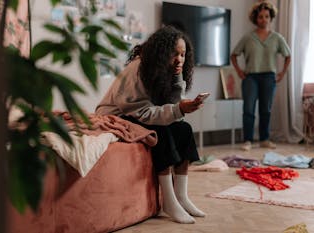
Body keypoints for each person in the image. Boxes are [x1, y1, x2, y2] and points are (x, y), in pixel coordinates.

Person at [95, 25, 205, 224]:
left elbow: (173, 112)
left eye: (183, 54)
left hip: (142, 114)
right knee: (159, 131)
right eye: (175, 54)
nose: (180, 59)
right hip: (117, 115)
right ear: (162, 53)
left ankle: (181, 196)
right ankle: (169, 201)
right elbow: (143, 111)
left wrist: (178, 84)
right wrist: (179, 108)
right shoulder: (138, 69)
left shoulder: (167, 70)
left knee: (184, 129)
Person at [230, 1, 291, 151]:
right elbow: (234, 55)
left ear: (271, 18)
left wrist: (282, 73)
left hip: (269, 78)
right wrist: (239, 71)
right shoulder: (248, 38)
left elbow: (287, 55)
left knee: (266, 109)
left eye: (266, 16)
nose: (263, 19)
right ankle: (248, 140)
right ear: (255, 19)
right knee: (249, 109)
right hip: (250, 78)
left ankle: (264, 139)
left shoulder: (277, 38)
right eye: (260, 17)